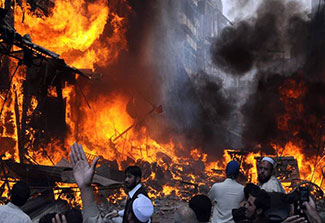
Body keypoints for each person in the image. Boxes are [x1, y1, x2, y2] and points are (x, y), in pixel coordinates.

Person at [70, 143, 154, 223]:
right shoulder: (141, 203)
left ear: (137, 179)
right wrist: (118, 213)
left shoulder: (140, 197)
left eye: (129, 177)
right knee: (113, 219)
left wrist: (85, 188)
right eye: (126, 177)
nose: (126, 180)